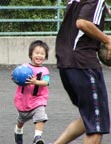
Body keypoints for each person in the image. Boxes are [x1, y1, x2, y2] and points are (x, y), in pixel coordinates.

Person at [54, 0, 111, 144]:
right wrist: (107, 40)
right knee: (97, 127)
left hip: (66, 63)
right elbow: (83, 23)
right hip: (83, 64)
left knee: (90, 117)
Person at [12, 40, 50, 144]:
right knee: (22, 118)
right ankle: (18, 130)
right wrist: (14, 77)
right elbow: (16, 77)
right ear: (31, 54)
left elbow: (46, 82)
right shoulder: (24, 67)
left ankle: (37, 137)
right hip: (24, 99)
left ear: (45, 56)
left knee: (41, 116)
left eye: (42, 54)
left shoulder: (45, 70)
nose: (39, 56)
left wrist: (35, 81)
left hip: (38, 99)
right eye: (37, 53)